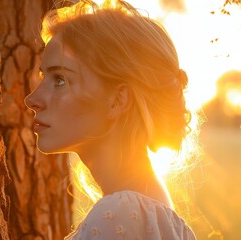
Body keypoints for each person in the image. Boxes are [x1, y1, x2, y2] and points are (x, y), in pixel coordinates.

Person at [25, 0, 196, 239]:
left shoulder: (120, 212)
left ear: (117, 100)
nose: (32, 99)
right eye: (44, 77)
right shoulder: (149, 206)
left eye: (60, 79)